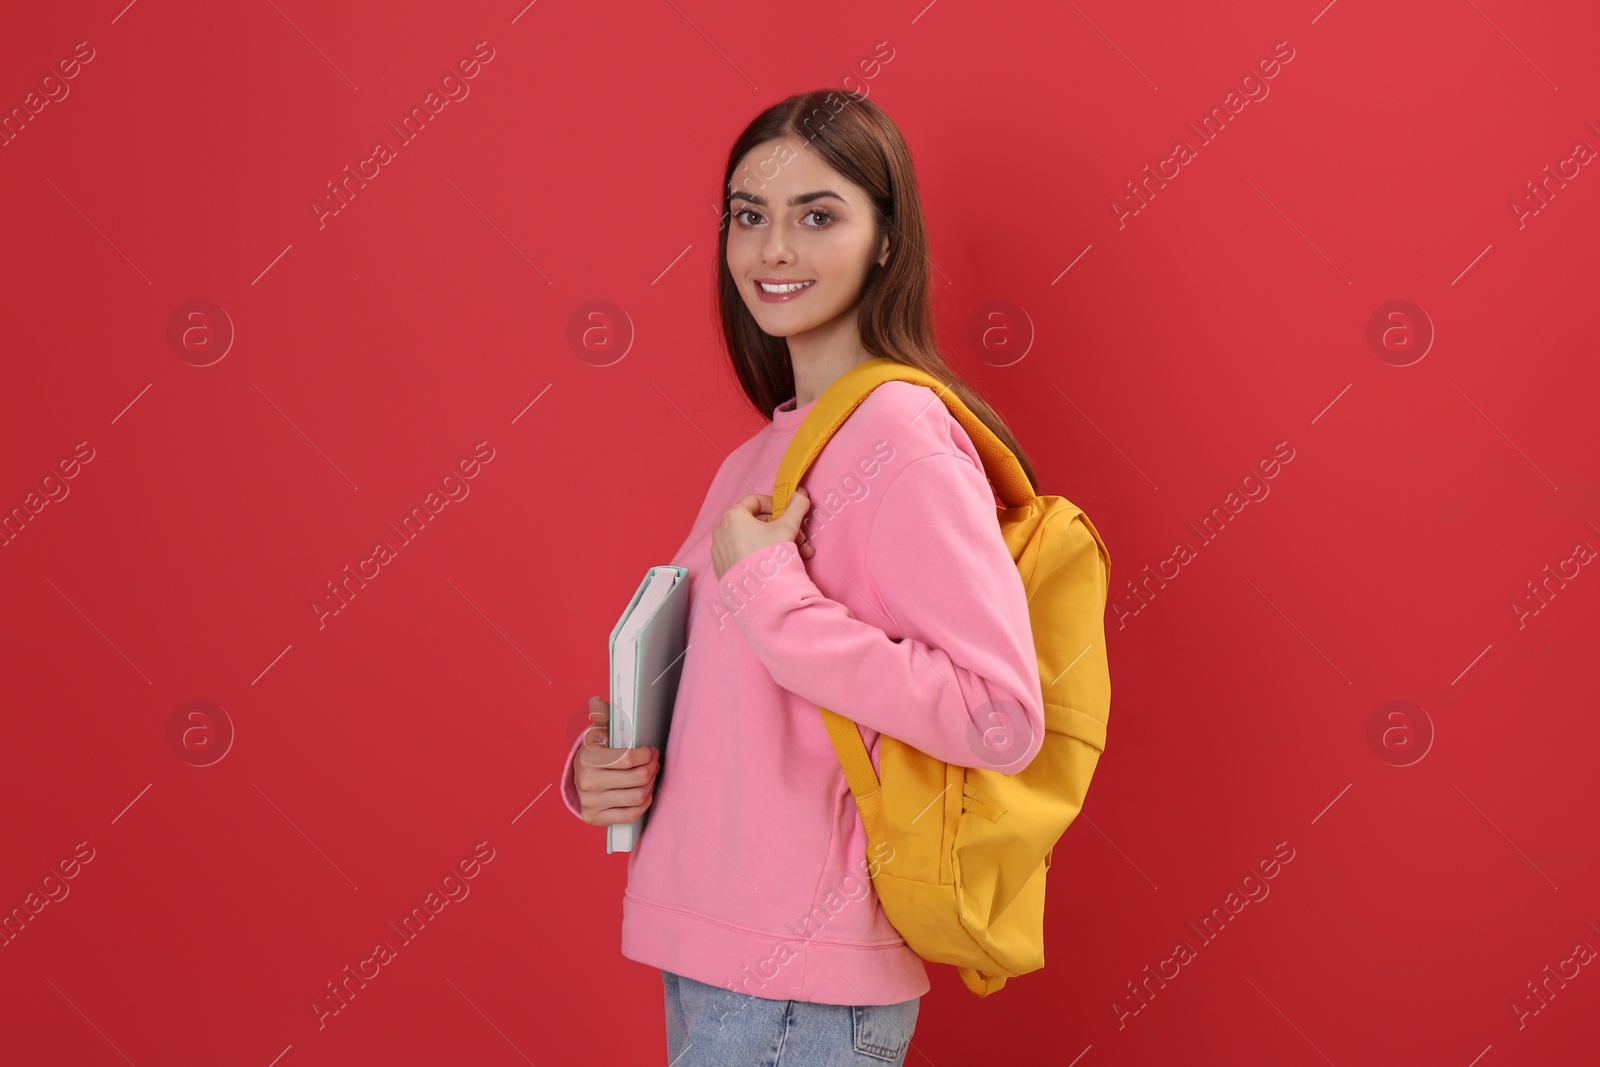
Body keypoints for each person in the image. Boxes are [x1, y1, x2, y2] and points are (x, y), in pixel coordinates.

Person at [558, 89, 1046, 1066]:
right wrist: (599, 770)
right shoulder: (759, 454)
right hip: (710, 948)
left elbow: (999, 715)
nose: (772, 248)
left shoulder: (903, 436)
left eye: (816, 214)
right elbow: (733, 699)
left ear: (883, 239)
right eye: (750, 214)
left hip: (800, 984)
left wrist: (772, 590)